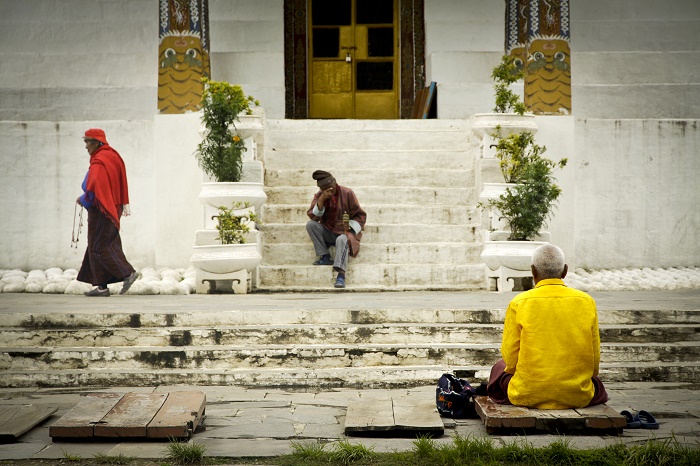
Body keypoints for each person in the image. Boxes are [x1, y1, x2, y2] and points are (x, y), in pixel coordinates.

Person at [486, 244, 609, 409]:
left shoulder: (519, 302)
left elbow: (510, 359)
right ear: (565, 271)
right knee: (597, 385)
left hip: (527, 393)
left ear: (533, 271)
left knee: (499, 368)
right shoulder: (586, 301)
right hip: (577, 395)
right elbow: (594, 362)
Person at [76, 129, 138, 297]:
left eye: (88, 142)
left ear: (97, 142)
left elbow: (95, 186)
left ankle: (127, 273)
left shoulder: (99, 160)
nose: (86, 146)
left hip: (102, 209)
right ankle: (101, 287)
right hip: (113, 206)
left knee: (99, 246)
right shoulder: (112, 156)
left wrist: (83, 199)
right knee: (99, 243)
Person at [306, 170, 366, 289]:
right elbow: (313, 216)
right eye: (326, 189)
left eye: (331, 187)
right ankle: (324, 256)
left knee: (342, 240)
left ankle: (341, 275)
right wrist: (322, 200)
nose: (330, 191)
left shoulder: (347, 193)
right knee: (311, 225)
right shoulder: (319, 196)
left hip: (345, 233)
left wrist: (350, 229)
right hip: (329, 231)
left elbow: (360, 216)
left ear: (335, 184)